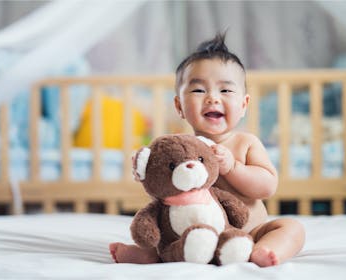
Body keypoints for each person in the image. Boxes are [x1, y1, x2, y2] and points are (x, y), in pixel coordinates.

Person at [110, 32, 305, 267]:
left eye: (225, 91)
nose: (212, 98)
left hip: (249, 234)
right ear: (179, 106)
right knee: (160, 239)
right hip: (191, 237)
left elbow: (267, 187)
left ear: (243, 105)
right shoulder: (178, 150)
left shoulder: (246, 143)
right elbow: (166, 193)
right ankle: (148, 255)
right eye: (198, 90)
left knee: (292, 228)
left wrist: (233, 168)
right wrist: (147, 172)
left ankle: (262, 251)